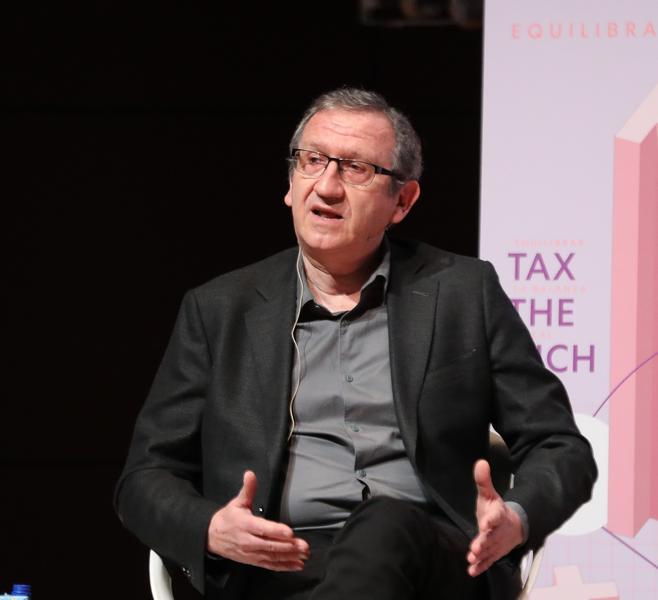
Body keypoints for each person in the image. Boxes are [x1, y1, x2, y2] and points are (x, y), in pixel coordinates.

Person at [115, 88, 597, 600]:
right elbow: (145, 477)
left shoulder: (462, 293)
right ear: (290, 184)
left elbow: (559, 446)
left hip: (429, 565)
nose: (326, 187)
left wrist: (517, 518)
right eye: (312, 161)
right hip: (277, 567)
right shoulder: (219, 310)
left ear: (402, 201)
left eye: (355, 169)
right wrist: (212, 528)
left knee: (385, 523)